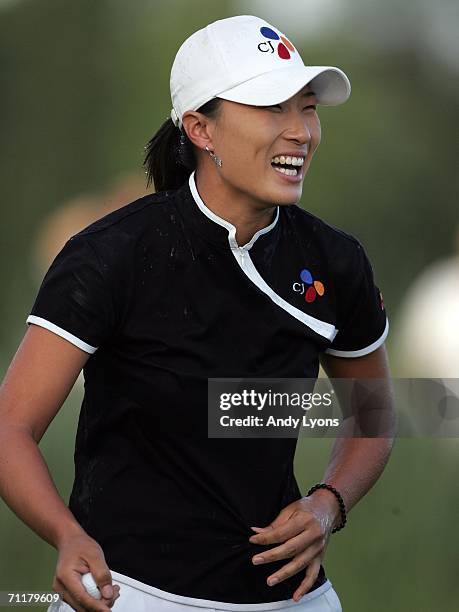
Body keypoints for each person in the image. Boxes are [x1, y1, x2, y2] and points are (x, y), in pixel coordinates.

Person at [0, 14, 395, 612]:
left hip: (292, 600)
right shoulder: (111, 254)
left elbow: (376, 413)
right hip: (128, 592)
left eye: (307, 108)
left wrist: (327, 503)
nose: (300, 132)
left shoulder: (336, 261)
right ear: (200, 128)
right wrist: (67, 534)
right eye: (271, 109)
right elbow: (11, 429)